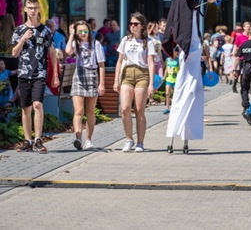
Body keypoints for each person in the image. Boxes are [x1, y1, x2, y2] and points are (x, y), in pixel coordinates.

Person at [162, 0, 218, 151]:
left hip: (190, 21)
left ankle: (183, 134)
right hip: (186, 23)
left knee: (192, 70)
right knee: (190, 66)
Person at [11, 0, 59, 153]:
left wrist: (55, 75)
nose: (32, 11)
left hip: (40, 72)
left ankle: (38, 139)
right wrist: (23, 39)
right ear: (25, 9)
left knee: (37, 104)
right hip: (24, 72)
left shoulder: (45, 30)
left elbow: (52, 53)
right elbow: (14, 53)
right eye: (30, 8)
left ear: (39, 10)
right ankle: (27, 140)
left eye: (35, 8)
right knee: (26, 108)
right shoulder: (19, 30)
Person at [113, 12, 156, 152]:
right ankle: (128, 138)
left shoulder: (148, 42)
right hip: (127, 73)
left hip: (142, 73)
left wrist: (151, 84)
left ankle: (140, 142)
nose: (132, 26)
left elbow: (150, 63)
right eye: (131, 24)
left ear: (142, 26)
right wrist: (116, 80)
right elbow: (119, 61)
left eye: (135, 24)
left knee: (139, 110)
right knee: (125, 108)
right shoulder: (126, 40)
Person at [65, 20, 105, 150]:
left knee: (90, 111)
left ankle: (88, 139)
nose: (83, 34)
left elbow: (101, 65)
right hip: (79, 75)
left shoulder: (95, 44)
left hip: (92, 75)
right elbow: (67, 51)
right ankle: (78, 138)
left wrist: (102, 84)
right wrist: (71, 35)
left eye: (85, 31)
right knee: (78, 110)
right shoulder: (76, 43)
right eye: (80, 31)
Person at [163, 47, 180, 114]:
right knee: (167, 93)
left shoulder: (178, 60)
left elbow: (180, 68)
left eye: (174, 52)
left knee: (176, 94)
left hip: (176, 79)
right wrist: (164, 76)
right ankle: (167, 107)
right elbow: (166, 68)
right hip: (169, 78)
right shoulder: (167, 59)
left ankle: (176, 107)